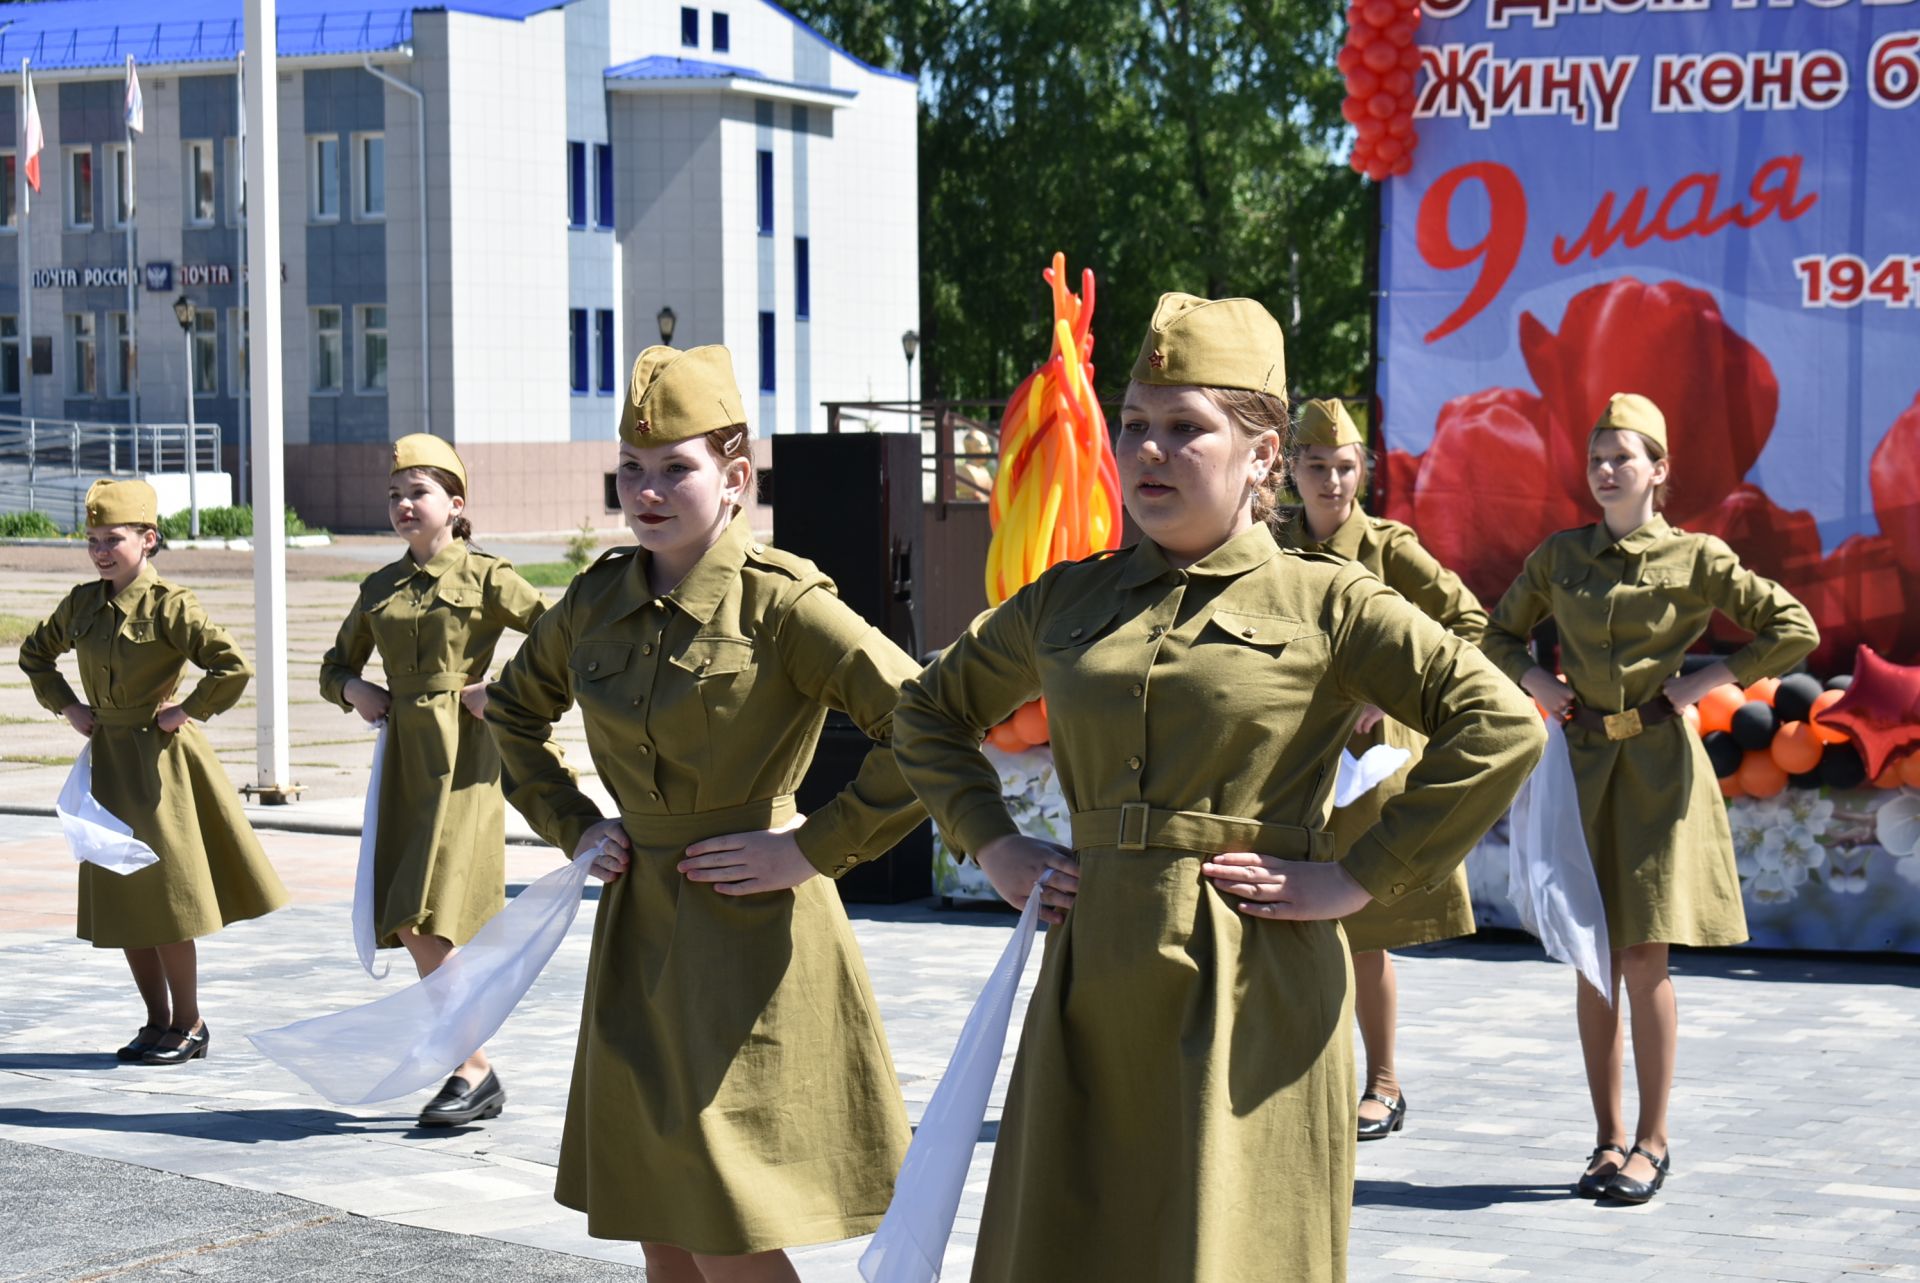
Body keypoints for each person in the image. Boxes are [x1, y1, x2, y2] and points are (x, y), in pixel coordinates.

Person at [891, 294, 1545, 1281]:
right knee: (1074, 1247)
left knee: (1228, 1251)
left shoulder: (1327, 602)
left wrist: (1356, 875)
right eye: (1135, 426)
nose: (1149, 452)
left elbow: (1497, 723)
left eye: (1185, 428)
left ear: (1264, 455)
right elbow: (925, 712)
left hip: (1253, 982)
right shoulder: (1072, 598)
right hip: (1092, 978)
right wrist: (994, 842)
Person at [485, 345, 925, 1282]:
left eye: (675, 468)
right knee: (659, 1215)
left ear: (735, 478)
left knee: (728, 1218)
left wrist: (811, 848)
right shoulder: (596, 602)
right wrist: (575, 824)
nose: (647, 491)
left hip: (750, 938)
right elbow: (513, 711)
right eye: (631, 471)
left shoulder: (781, 603)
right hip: (639, 927)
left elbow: (925, 727)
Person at [1482, 392, 1817, 1203]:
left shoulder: (1696, 558)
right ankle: (1604, 1139)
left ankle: (1652, 1142)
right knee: (1592, 957)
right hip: (1582, 765)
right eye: (1597, 459)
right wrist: (1535, 679)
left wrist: (1707, 678)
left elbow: (1792, 626)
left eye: (1622, 459)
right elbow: (1494, 632)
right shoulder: (1561, 556)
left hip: (1662, 770)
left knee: (1643, 956)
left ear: (1658, 471)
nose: (1605, 471)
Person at [1271, 397, 1488, 1142]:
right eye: (1316, 466)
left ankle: (1384, 1082)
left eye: (1343, 466)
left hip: (1367, 764)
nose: (1331, 481)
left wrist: (1386, 686)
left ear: (1362, 469)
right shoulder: (1270, 546)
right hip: (1286, 759)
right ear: (1289, 468)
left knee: (1362, 927)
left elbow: (1468, 624)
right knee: (1283, 921)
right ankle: (1294, 1079)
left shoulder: (1390, 548)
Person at [318, 434, 547, 1127]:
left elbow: (561, 639)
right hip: (404, 764)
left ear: (456, 504)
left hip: (465, 760)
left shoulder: (487, 575)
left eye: (417, 492)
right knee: (412, 918)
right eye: (394, 494)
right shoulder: (380, 587)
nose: (402, 504)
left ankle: (470, 1068)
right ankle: (472, 1068)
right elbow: (334, 665)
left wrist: (500, 689)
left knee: (429, 916)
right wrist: (355, 687)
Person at [19, 479, 288, 1065]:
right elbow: (34, 654)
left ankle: (189, 1023)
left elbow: (229, 667)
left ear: (148, 538)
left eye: (113, 538)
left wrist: (186, 711)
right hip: (107, 762)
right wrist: (67, 704)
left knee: (167, 898)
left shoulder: (170, 604)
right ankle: (155, 1020)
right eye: (92, 540)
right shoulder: (82, 604)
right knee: (125, 895)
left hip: (160, 765)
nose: (100, 550)